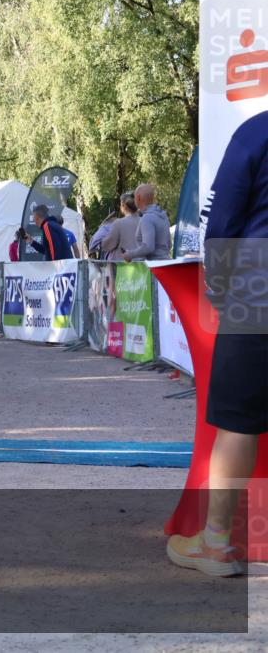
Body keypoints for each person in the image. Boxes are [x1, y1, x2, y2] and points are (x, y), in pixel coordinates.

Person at [166, 111, 268, 577]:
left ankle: (215, 545)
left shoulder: (256, 132)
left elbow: (222, 221)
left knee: (237, 424)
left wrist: (221, 289)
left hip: (257, 292)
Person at [122, 183, 171, 262]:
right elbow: (169, 244)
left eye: (134, 197)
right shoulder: (163, 216)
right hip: (166, 264)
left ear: (138, 198)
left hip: (154, 266)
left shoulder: (147, 218)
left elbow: (148, 247)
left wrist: (130, 254)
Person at [101, 193, 141, 260]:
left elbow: (107, 246)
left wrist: (102, 238)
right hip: (144, 265)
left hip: (123, 265)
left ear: (123, 206)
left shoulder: (119, 223)